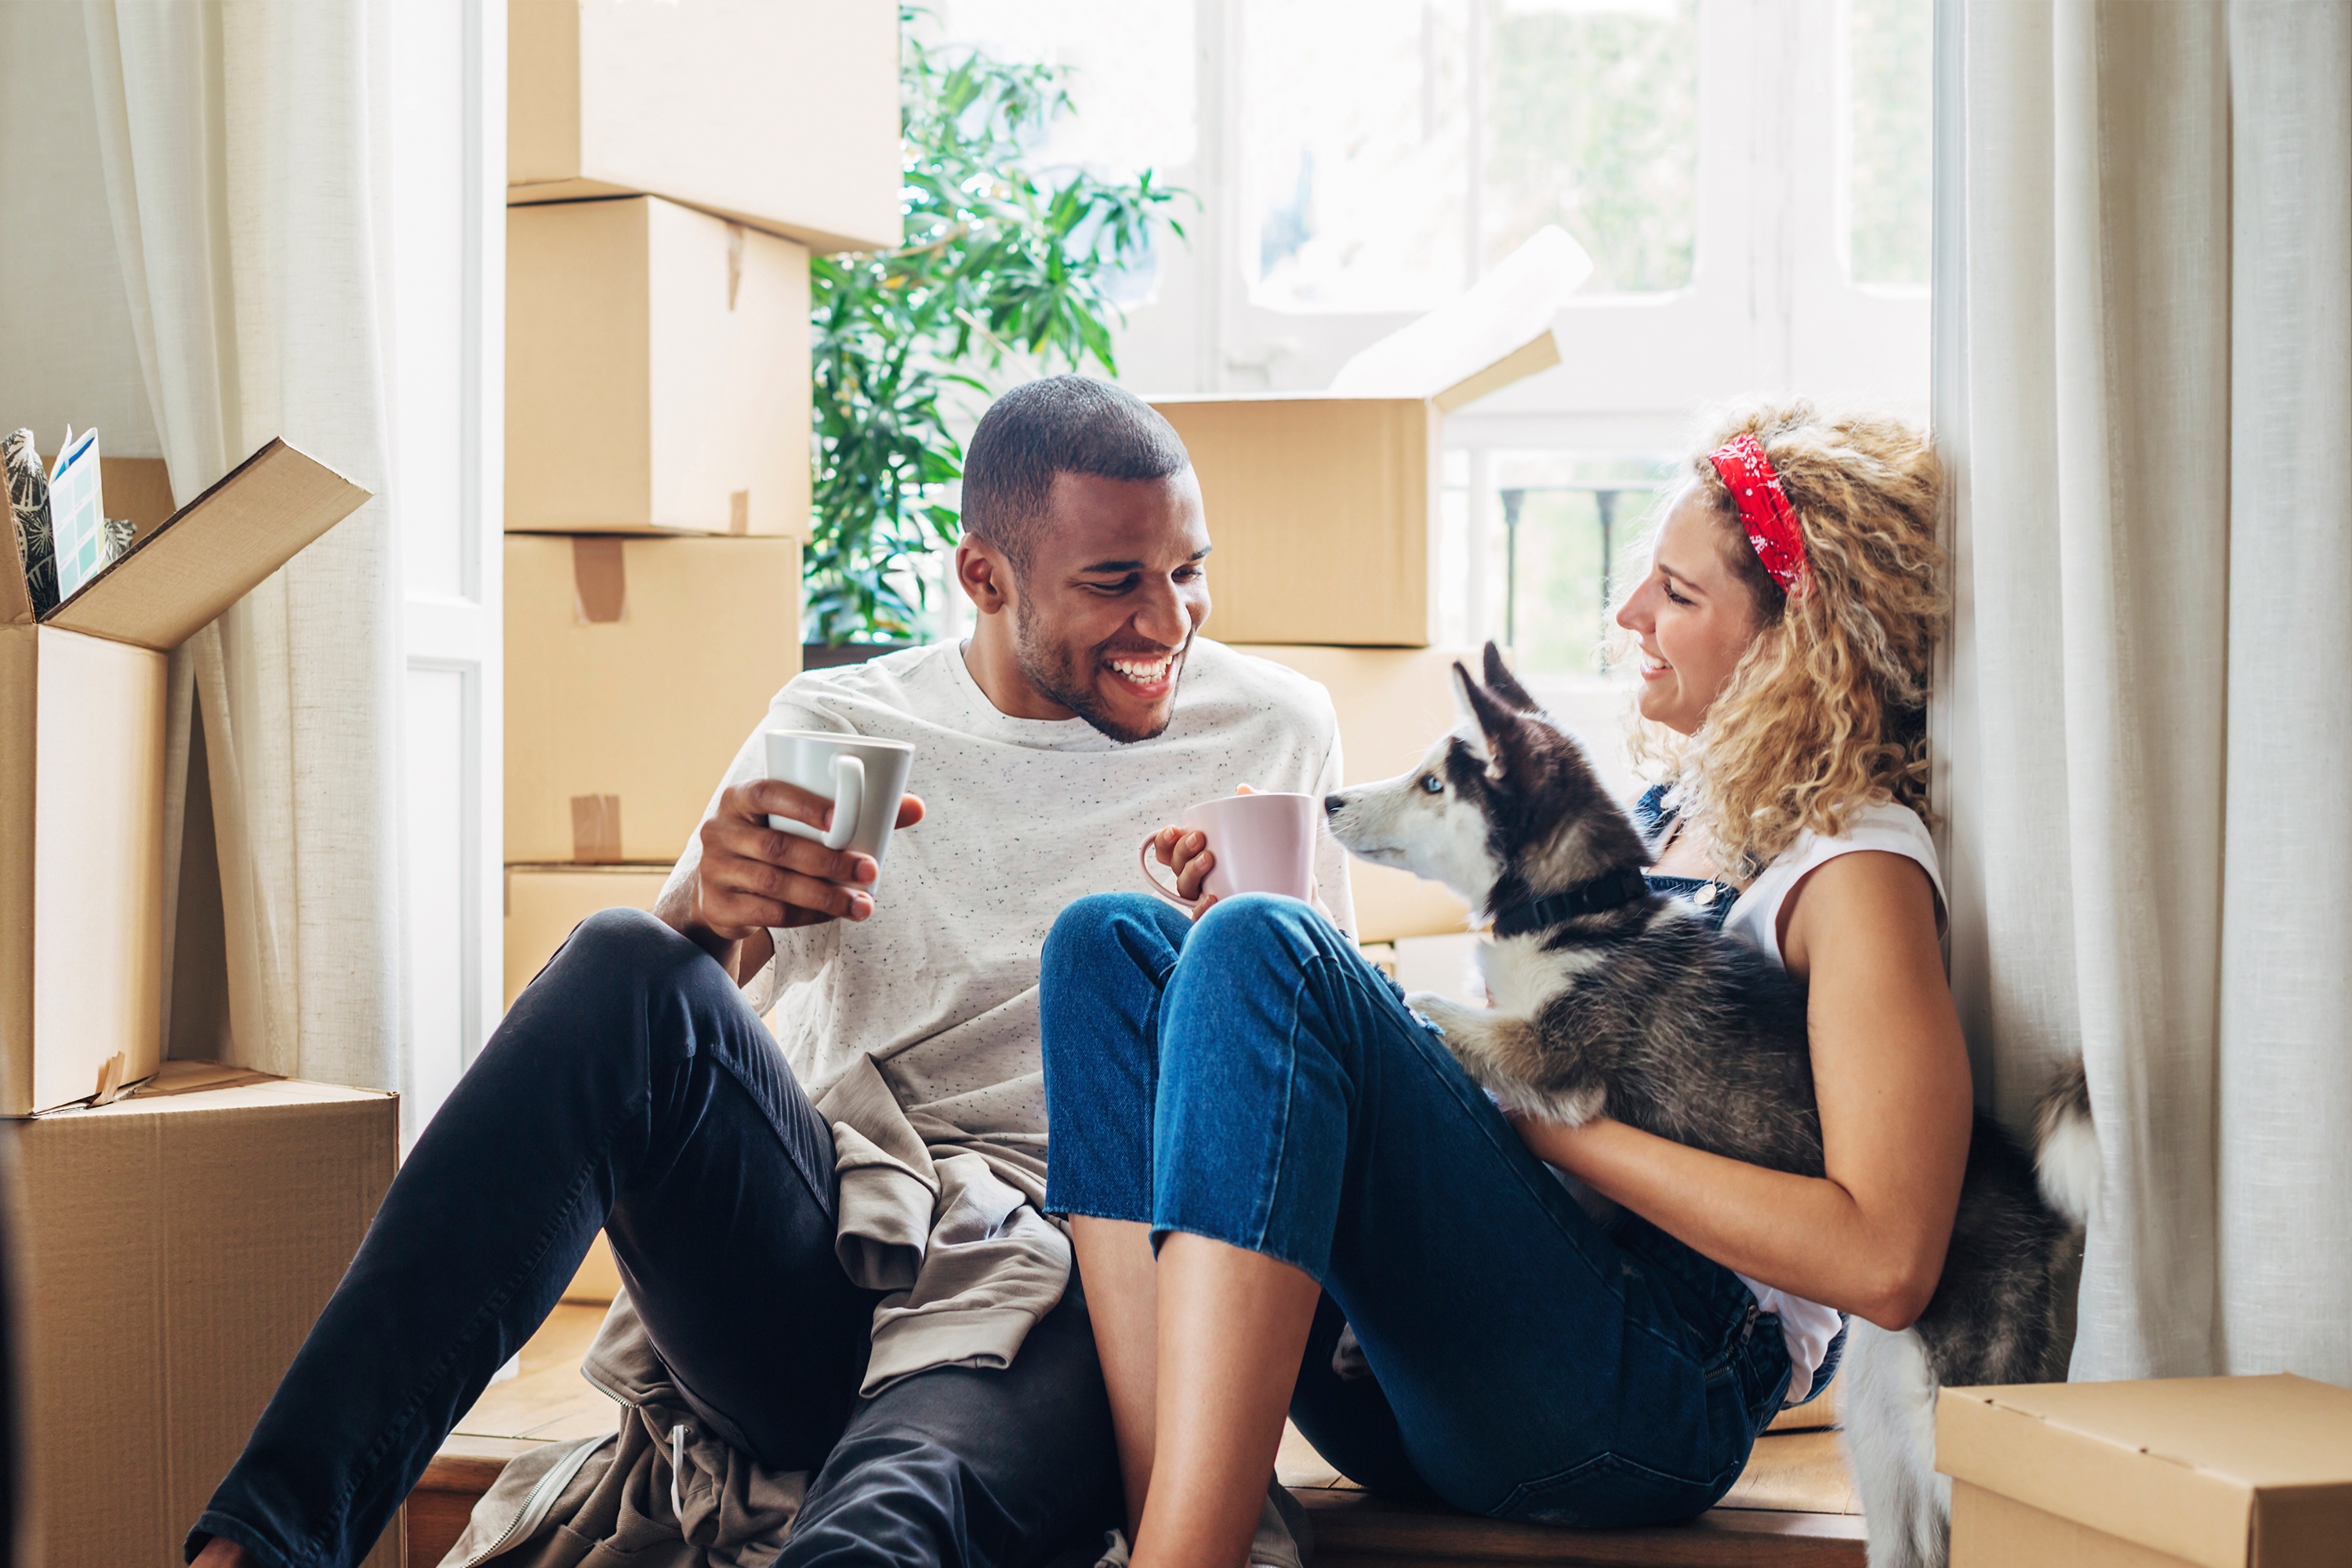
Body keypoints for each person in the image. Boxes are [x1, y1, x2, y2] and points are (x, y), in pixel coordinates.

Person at [187, 376, 1355, 1568]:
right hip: (832, 1253)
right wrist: (706, 905)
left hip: (1077, 1284)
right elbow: (655, 1044)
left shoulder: (1274, 728)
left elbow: (1310, 1073)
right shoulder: (839, 723)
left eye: (1189, 570)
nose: (1169, 622)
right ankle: (267, 1540)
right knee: (622, 957)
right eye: (1116, 581)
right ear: (984, 577)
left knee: (887, 1519)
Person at [1039, 400, 1967, 1568]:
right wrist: (1236, 1006)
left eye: (1678, 596)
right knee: (1111, 947)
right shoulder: (1683, 822)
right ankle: (1173, 1509)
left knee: (1268, 949)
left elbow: (1887, 1260)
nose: (1630, 612)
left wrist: (1545, 1125)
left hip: (1647, 1388)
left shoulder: (1856, 867)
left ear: (1797, 642)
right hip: (1427, 1381)